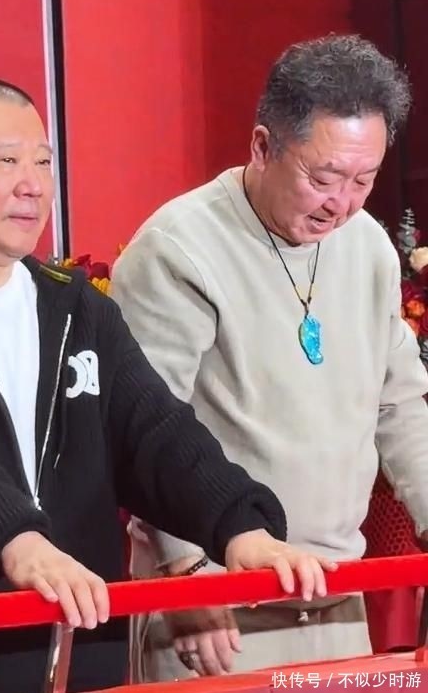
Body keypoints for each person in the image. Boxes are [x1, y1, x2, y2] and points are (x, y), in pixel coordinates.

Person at [0, 77, 331, 693]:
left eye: (43, 162)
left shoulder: (78, 309)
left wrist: (242, 526)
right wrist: (18, 542)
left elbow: (157, 432)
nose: (33, 184)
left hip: (81, 658)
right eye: (6, 161)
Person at [110, 34, 428, 681]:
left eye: (363, 180)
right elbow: (140, 428)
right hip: (218, 606)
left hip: (337, 593)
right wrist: (183, 572)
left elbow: (398, 405)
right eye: (323, 178)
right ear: (262, 147)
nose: (341, 203)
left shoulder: (367, 246)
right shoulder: (178, 248)